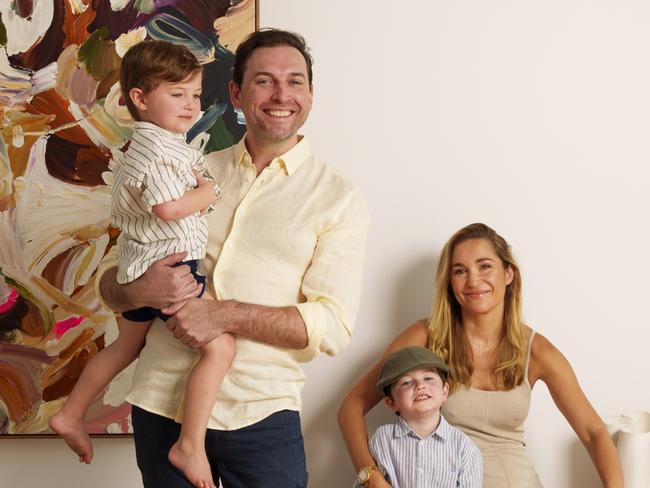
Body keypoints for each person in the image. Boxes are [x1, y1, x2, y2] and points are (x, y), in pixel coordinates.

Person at [94, 29, 371, 488]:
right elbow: (115, 279)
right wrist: (135, 290)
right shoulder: (189, 168)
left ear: (311, 94)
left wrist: (221, 315)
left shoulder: (339, 200)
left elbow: (332, 326)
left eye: (295, 81)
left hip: (261, 411)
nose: (282, 95)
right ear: (237, 94)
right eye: (265, 81)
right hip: (162, 404)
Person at [50, 41, 233, 488]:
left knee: (124, 347)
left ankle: (72, 414)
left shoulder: (160, 143)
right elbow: (169, 209)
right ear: (140, 97)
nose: (191, 104)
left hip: (140, 265)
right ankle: (189, 445)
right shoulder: (156, 151)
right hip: (172, 268)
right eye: (178, 94)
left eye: (194, 94)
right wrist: (211, 192)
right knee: (221, 347)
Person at [338, 223, 623, 488]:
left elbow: (593, 432)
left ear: (508, 273)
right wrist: (371, 477)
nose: (473, 280)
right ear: (449, 282)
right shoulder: (425, 337)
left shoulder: (537, 351)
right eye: (460, 271)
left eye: (485, 266)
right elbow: (351, 407)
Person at [360, 346, 482, 488]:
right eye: (406, 382)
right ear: (391, 402)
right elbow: (368, 483)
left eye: (428, 378)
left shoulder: (465, 449)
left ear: (444, 391)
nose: (420, 385)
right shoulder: (381, 440)